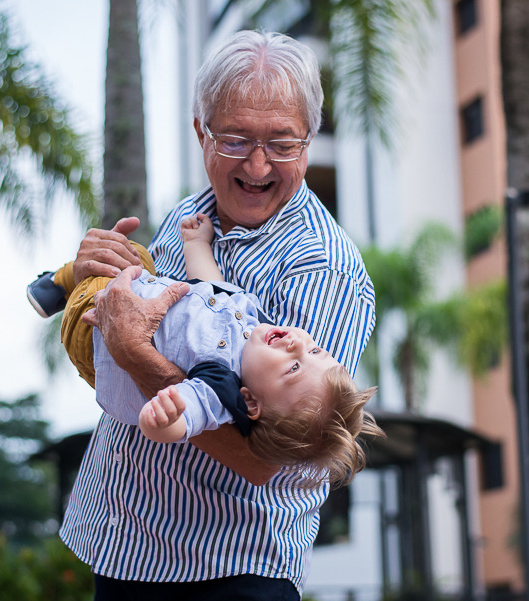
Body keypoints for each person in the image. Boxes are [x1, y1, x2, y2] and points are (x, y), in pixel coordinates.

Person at [29, 30, 376, 600]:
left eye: (283, 144)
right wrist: (96, 273)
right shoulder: (191, 216)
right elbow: (141, 329)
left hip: (225, 572)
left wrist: (136, 357)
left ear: (309, 141)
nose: (259, 165)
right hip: (125, 545)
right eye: (236, 139)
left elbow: (275, 464)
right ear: (201, 131)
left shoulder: (321, 270)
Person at [34, 214, 380, 486]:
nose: (297, 345)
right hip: (130, 295)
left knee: (107, 268)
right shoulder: (250, 319)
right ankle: (56, 285)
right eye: (314, 350)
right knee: (129, 253)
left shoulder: (220, 386)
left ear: (250, 402)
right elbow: (209, 281)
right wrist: (197, 242)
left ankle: (60, 285)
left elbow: (188, 416)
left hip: (95, 332)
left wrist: (163, 421)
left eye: (292, 368)